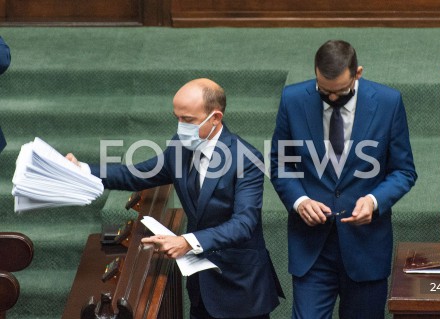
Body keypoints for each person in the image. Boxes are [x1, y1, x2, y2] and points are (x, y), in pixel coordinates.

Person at [67, 78, 283, 319]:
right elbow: (134, 175)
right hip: (202, 287)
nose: (181, 127)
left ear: (215, 118)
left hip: (240, 286)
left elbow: (244, 223)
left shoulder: (246, 159)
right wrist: (82, 170)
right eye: (177, 118)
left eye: (188, 120)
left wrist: (187, 242)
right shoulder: (179, 148)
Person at [270, 40, 417, 319]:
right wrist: (300, 201)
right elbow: (281, 164)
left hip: (365, 247)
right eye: (324, 91)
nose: (332, 99)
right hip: (312, 248)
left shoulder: (388, 102)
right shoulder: (293, 99)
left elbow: (404, 171)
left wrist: (374, 201)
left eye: (340, 91)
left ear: (357, 73)